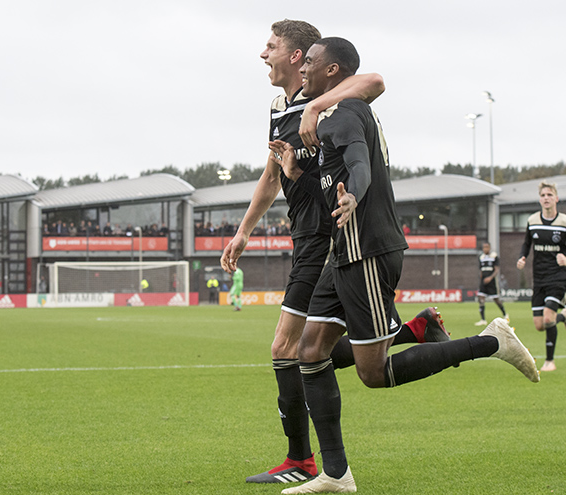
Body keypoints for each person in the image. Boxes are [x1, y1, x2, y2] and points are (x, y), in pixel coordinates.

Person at [270, 37, 539, 494]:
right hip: (344, 254)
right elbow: (331, 189)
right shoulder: (324, 121)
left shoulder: (349, 112)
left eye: (311, 63)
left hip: (369, 252)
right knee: (308, 352)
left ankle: (490, 342)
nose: (304, 71)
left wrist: (355, 190)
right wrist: (298, 175)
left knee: (374, 374)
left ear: (332, 71)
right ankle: (336, 475)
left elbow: (358, 164)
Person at [222, 20, 450, 486]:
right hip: (304, 235)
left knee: (289, 346)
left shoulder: (331, 101)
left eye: (271, 46)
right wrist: (244, 231)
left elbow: (374, 81)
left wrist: (319, 103)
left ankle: (303, 461)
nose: (261, 54)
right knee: (314, 349)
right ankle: (411, 330)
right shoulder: (278, 106)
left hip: (330, 240)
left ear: (298, 56)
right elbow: (272, 177)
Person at [516, 181, 566, 373]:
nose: (546, 198)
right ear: (540, 199)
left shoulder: (565, 222)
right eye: (543, 195)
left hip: (558, 278)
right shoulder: (532, 221)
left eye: (549, 195)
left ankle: (549, 361)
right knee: (539, 325)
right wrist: (522, 258)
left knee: (547, 319)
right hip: (539, 279)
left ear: (556, 198)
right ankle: (564, 316)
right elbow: (526, 244)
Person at [475, 242, 508, 326]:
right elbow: (481, 270)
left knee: (496, 299)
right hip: (483, 282)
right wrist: (482, 278)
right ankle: (483, 319)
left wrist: (490, 278)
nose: (485, 249)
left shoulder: (494, 256)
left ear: (489, 248)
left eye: (486, 247)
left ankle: (505, 315)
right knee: (481, 298)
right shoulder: (481, 257)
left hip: (492, 282)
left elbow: (496, 270)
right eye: (483, 247)